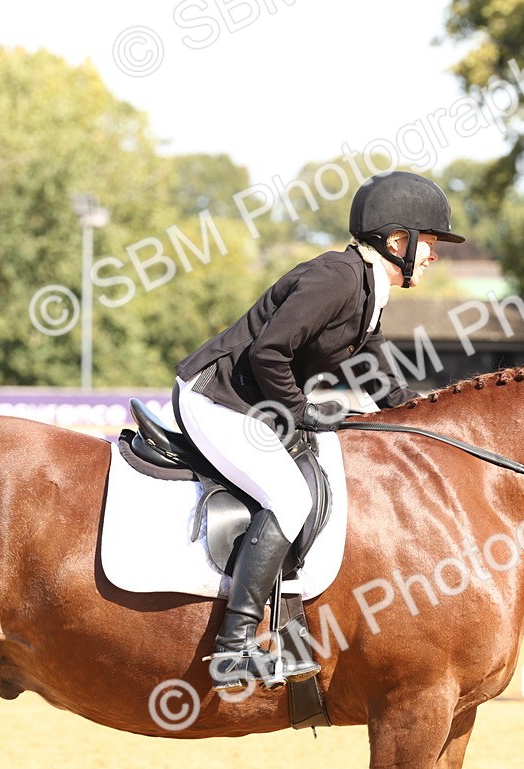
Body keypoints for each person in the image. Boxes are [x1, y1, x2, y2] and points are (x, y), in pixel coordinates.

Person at [173, 171, 465, 692]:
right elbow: (269, 352)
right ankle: (233, 650)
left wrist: (419, 417)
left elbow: (374, 366)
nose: (433, 256)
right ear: (399, 240)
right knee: (288, 498)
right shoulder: (336, 279)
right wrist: (299, 410)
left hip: (251, 403)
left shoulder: (368, 286)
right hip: (214, 397)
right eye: (431, 244)